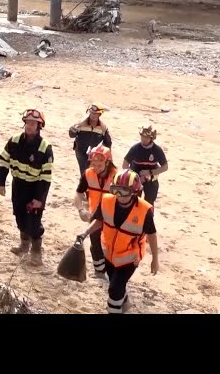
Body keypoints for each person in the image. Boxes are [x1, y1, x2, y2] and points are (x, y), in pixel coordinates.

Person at [77, 169, 159, 314]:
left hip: (129, 258)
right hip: (109, 254)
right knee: (117, 284)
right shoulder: (106, 201)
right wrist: (85, 233)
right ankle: (125, 303)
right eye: (116, 190)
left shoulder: (145, 211)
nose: (119, 196)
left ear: (134, 192)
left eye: (124, 191)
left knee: (114, 289)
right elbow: (98, 221)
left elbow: (152, 235)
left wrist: (155, 259)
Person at [0, 109, 53, 265]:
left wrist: (40, 199)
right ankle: (24, 245)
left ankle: (36, 251)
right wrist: (0, 182)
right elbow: (3, 160)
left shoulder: (44, 147)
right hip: (18, 184)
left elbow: (46, 177)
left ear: (39, 126)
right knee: (19, 215)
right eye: (27, 122)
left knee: (34, 221)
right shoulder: (14, 141)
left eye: (33, 123)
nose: (29, 126)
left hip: (35, 187)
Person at [73, 143, 118, 278]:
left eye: (99, 165)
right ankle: (99, 271)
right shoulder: (88, 174)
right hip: (94, 214)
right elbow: (79, 193)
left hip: (112, 215)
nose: (96, 168)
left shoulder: (117, 177)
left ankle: (111, 270)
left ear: (108, 163)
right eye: (93, 164)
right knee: (95, 243)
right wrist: (81, 209)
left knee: (110, 244)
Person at [123, 126, 168, 208]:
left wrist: (150, 173)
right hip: (135, 180)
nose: (144, 139)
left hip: (151, 180)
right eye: (142, 136)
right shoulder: (135, 149)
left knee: (149, 205)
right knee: (133, 203)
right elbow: (125, 165)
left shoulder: (157, 150)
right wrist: (137, 178)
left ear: (152, 138)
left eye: (147, 137)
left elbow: (165, 167)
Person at [68, 103, 112, 178]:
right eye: (91, 113)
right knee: (84, 171)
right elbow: (71, 135)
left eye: (95, 114)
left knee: (94, 173)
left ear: (99, 115)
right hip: (80, 151)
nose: (93, 115)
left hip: (95, 154)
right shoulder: (80, 124)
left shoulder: (102, 127)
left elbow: (108, 143)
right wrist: (72, 130)